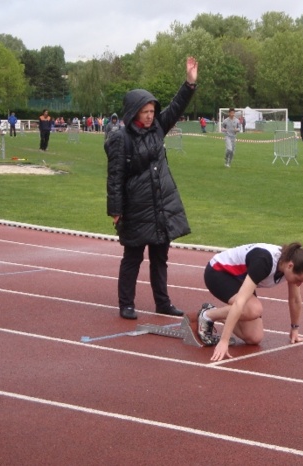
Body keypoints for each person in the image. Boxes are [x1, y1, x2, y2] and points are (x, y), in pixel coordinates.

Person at [105, 56, 198, 320]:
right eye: (145, 112)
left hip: (162, 205)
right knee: (132, 258)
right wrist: (115, 210)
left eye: (152, 111)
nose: (150, 115)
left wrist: (189, 84)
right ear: (133, 112)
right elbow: (115, 177)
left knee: (160, 258)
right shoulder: (119, 139)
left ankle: (162, 302)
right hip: (136, 208)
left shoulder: (157, 127)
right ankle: (127, 303)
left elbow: (176, 107)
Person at [189, 242, 303, 361]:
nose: (299, 284)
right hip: (219, 272)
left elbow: (295, 299)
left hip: (242, 279)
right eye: (299, 279)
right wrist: (224, 341)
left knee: (254, 337)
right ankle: (207, 315)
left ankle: (218, 314)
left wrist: (294, 329)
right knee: (253, 309)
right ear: (290, 266)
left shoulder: (290, 266)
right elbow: (240, 302)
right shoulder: (264, 261)